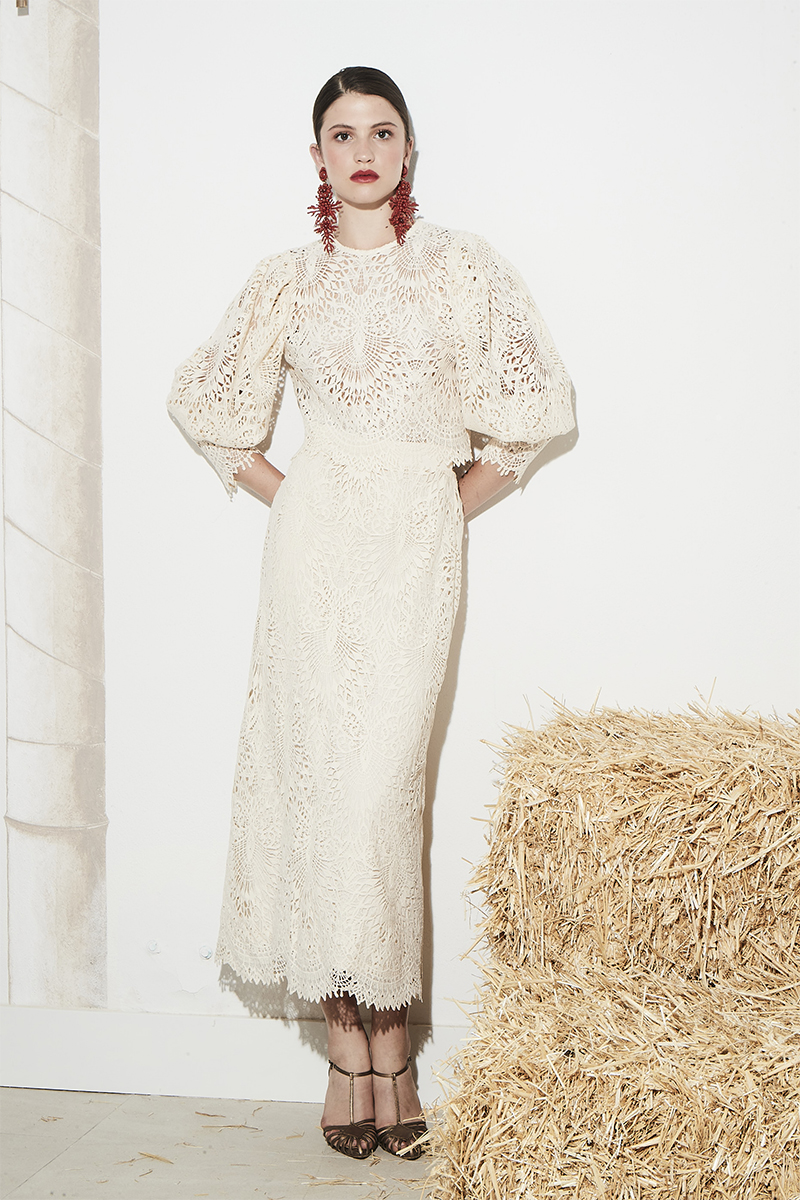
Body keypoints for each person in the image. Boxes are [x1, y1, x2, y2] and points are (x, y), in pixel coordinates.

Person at [167, 66, 574, 1161]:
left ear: (407, 150)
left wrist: (442, 506)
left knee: (380, 795)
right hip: (312, 557)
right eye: (341, 134)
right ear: (316, 156)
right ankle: (352, 1055)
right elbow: (204, 403)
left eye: (381, 131)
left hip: (411, 556)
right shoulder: (285, 280)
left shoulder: (457, 267)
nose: (361, 150)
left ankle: (394, 1047)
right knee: (318, 793)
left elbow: (534, 409)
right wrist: (297, 495)